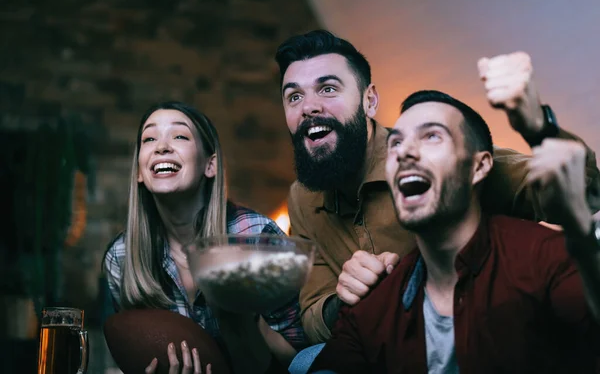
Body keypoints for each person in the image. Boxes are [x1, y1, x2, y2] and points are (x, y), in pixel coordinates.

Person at [275, 30, 600, 347]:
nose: (309, 107)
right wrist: (345, 300)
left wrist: (539, 127)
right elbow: (313, 317)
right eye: (294, 96)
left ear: (369, 100)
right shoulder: (302, 199)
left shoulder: (443, 161)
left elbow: (585, 193)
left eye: (328, 89)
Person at [307, 89, 600, 373]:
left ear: (479, 166)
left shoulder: (549, 260)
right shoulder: (375, 305)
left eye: (432, 136)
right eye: (395, 143)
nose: (405, 151)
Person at [103, 101, 305, 374]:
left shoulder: (257, 237)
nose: (161, 146)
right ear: (139, 172)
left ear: (210, 165)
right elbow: (135, 346)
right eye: (149, 138)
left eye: (180, 136)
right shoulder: (121, 257)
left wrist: (245, 319)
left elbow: (303, 356)